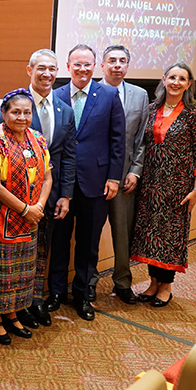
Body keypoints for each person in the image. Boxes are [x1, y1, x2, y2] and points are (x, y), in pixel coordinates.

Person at [0, 49, 77, 329]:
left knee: (35, 258)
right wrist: (25, 207)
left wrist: (58, 196)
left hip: (43, 201)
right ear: (29, 69)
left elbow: (64, 157)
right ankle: (5, 313)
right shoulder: (3, 123)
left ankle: (29, 304)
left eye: (53, 69)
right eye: (41, 68)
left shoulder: (61, 112)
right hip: (8, 206)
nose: (47, 74)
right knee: (6, 264)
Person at [50, 44, 125, 321]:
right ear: (68, 66)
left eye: (88, 64)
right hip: (62, 185)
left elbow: (118, 140)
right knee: (59, 241)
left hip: (96, 183)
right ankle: (56, 292)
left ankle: (82, 295)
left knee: (88, 243)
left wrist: (114, 177)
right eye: (77, 64)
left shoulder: (108, 94)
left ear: (95, 66)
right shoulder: (56, 95)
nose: (82, 69)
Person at [131, 62, 196, 307]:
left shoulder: (195, 113)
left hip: (178, 187)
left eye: (181, 79)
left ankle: (166, 286)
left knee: (170, 237)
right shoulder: (152, 109)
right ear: (163, 80)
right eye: (172, 77)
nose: (176, 82)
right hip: (151, 184)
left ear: (189, 84)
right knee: (151, 235)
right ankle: (153, 282)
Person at [0, 89, 52, 344]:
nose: (22, 117)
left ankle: (12, 313)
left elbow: (47, 176)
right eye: (16, 112)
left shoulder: (38, 139)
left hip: (32, 218)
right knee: (2, 271)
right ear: (4, 113)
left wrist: (39, 207)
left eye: (27, 112)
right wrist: (25, 209)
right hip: (2, 217)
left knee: (22, 271)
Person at [87, 45, 151, 304]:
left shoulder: (139, 95)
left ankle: (123, 282)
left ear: (127, 66)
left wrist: (135, 171)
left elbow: (142, 138)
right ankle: (89, 281)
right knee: (91, 233)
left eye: (122, 61)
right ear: (102, 66)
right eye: (111, 60)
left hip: (125, 177)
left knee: (123, 232)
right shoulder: (91, 92)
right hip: (95, 175)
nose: (117, 65)